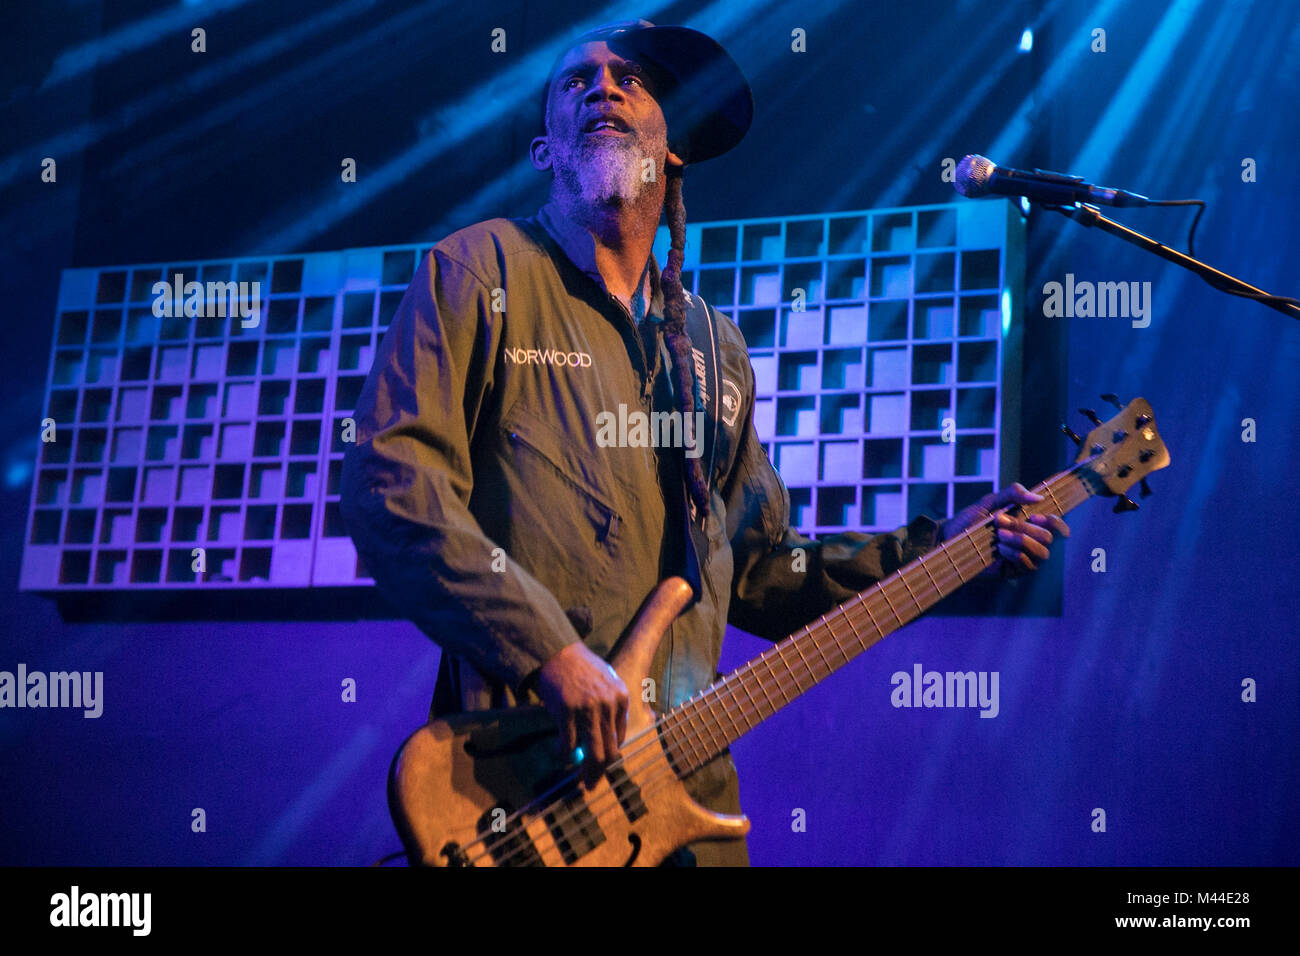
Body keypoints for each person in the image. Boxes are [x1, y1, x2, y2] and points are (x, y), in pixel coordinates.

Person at [339, 19, 1068, 866]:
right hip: (529, 799)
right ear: (545, 150)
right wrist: (549, 652)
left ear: (674, 149)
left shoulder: (715, 349)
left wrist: (946, 546)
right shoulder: (479, 271)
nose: (604, 88)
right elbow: (395, 484)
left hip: (685, 809)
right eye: (577, 82)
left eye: (631, 80)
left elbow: (758, 569)